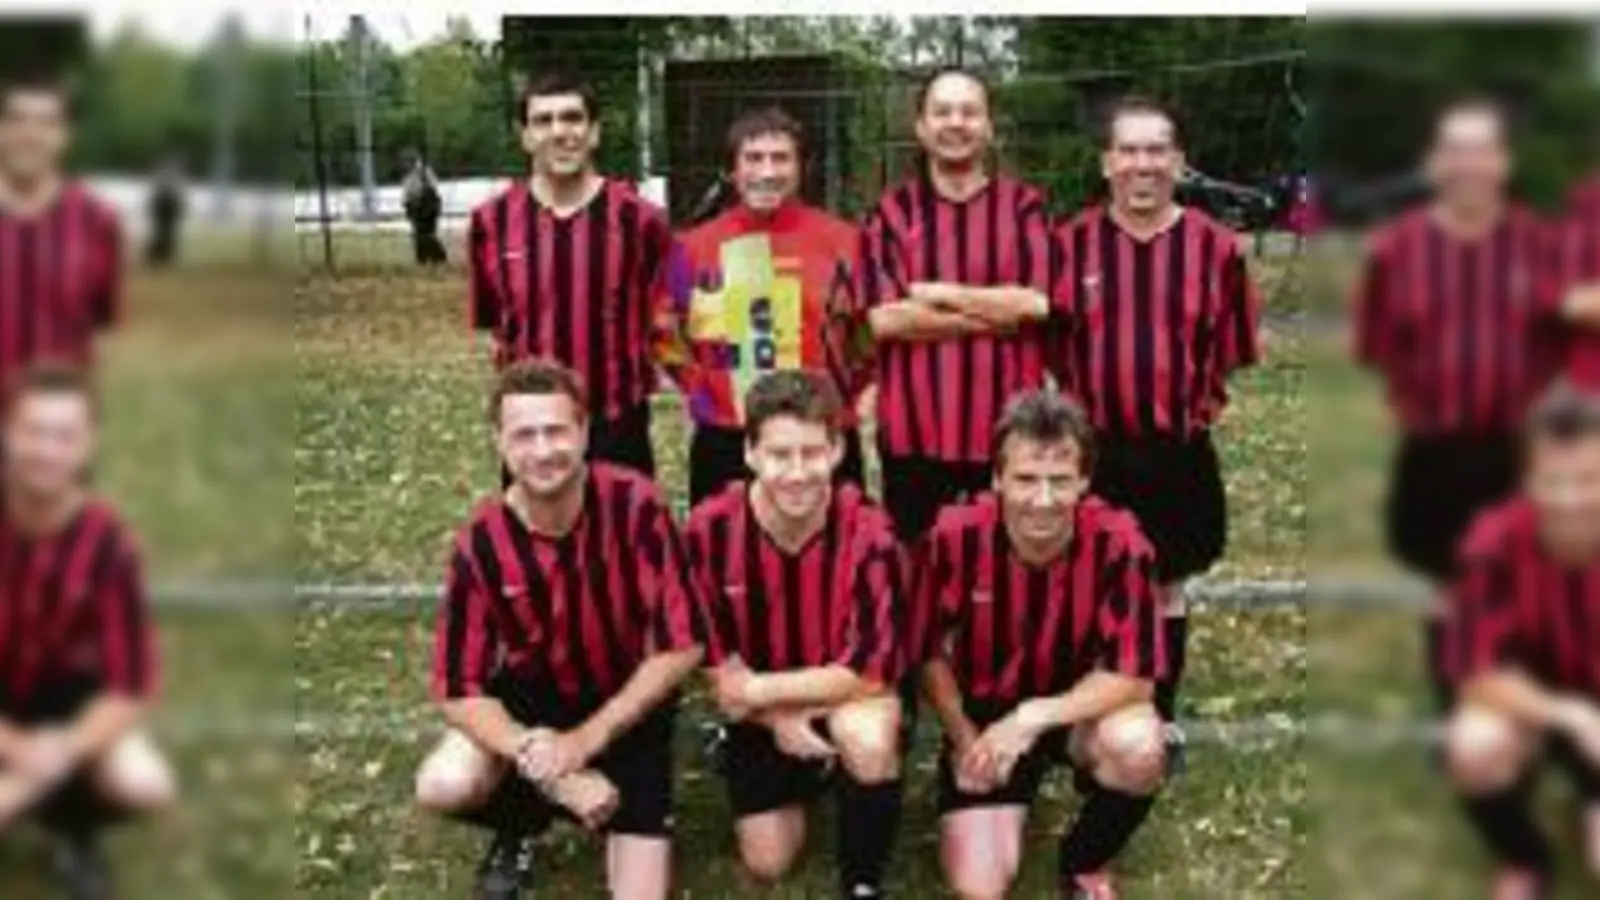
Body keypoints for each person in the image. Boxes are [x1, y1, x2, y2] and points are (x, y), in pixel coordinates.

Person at [414, 359, 705, 900]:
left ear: (585, 432)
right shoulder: (480, 542)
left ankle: (618, 810)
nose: (543, 450)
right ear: (499, 442)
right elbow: (459, 689)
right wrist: (548, 765)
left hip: (627, 707)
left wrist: (586, 741)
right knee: (443, 782)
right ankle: (520, 824)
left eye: (556, 430)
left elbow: (682, 643)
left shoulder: (637, 504)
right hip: (536, 710)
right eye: (524, 434)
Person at [911, 388, 1167, 900]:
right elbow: (926, 650)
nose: (1043, 499)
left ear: (1086, 481)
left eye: (1061, 481)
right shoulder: (953, 538)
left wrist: (1031, 717)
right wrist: (963, 735)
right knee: (979, 887)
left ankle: (1085, 861)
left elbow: (1134, 674)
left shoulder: (1121, 545)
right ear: (997, 477)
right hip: (984, 714)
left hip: (1074, 711)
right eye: (1026, 479)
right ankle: (1002, 796)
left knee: (1139, 748)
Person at [1352, 96, 1562, 714]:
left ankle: (1523, 703)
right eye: (1456, 150)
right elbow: (1378, 343)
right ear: (1435, 162)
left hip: (1517, 449)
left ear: (1503, 161)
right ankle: (1457, 706)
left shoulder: (1536, 244)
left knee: (1520, 575)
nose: (1469, 164)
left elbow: (1561, 343)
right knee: (1447, 582)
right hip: (1436, 449)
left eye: (1482, 150)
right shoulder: (1398, 249)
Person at [683, 371, 906, 899]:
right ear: (751, 453)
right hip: (762, 717)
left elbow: (869, 673)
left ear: (838, 450)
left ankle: (862, 881)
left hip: (843, 698)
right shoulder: (707, 532)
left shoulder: (872, 533)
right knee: (768, 862)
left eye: (813, 452)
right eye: (780, 454)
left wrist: (760, 693)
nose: (798, 471)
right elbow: (713, 660)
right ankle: (815, 774)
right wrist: (775, 717)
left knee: (869, 737)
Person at [849, 66, 1055, 543]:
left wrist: (939, 294)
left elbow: (1036, 304)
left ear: (988, 126)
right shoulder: (891, 213)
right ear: (921, 127)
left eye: (969, 111)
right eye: (942, 111)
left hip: (1010, 436)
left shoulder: (1025, 207)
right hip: (914, 437)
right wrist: (996, 314)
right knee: (918, 578)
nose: (956, 122)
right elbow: (884, 319)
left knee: (1006, 577)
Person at [0, 364, 174, 900]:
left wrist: (56, 752)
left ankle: (74, 830)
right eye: (34, 431)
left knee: (145, 782)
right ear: (7, 432)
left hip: (65, 711)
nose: (46, 451)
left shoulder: (109, 546)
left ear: (87, 444)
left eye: (64, 435)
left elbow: (129, 685)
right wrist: (13, 745)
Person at [466, 73, 672, 483]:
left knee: (622, 544)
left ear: (593, 132)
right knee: (535, 545)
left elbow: (667, 320)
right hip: (531, 428)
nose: (559, 132)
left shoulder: (642, 221)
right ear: (524, 136)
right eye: (543, 121)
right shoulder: (491, 223)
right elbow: (498, 326)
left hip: (617, 425)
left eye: (572, 118)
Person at [657, 106, 868, 505]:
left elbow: (869, 334)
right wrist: (701, 395)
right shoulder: (691, 248)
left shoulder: (846, 243)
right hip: (727, 436)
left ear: (800, 168)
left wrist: (845, 396)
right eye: (754, 159)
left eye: (780, 158)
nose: (767, 171)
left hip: (821, 436)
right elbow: (663, 331)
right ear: (732, 170)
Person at [1439, 383, 1600, 900]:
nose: (1571, 497)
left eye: (1588, 480)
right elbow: (1475, 671)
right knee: (1474, 745)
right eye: (1554, 480)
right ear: (1527, 478)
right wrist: (1569, 716)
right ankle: (1525, 857)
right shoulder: (1494, 540)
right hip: (1534, 703)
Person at [0, 72, 122, 395]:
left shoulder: (98, 221)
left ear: (65, 135)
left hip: (50, 428)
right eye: (16, 119)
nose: (29, 134)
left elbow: (98, 327)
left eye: (46, 123)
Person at [401, 150, 447, 266]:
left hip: (426, 206)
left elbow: (432, 188)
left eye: (407, 162)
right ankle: (423, 259)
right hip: (415, 206)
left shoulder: (424, 172)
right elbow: (407, 194)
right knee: (418, 234)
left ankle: (438, 258)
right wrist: (409, 207)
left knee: (426, 234)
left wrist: (426, 206)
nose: (404, 164)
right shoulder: (408, 175)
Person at [144, 157, 185, 268]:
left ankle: (162, 256)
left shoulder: (165, 178)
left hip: (166, 207)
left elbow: (175, 198)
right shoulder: (171, 179)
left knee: (165, 233)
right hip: (164, 207)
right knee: (163, 233)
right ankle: (159, 256)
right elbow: (173, 197)